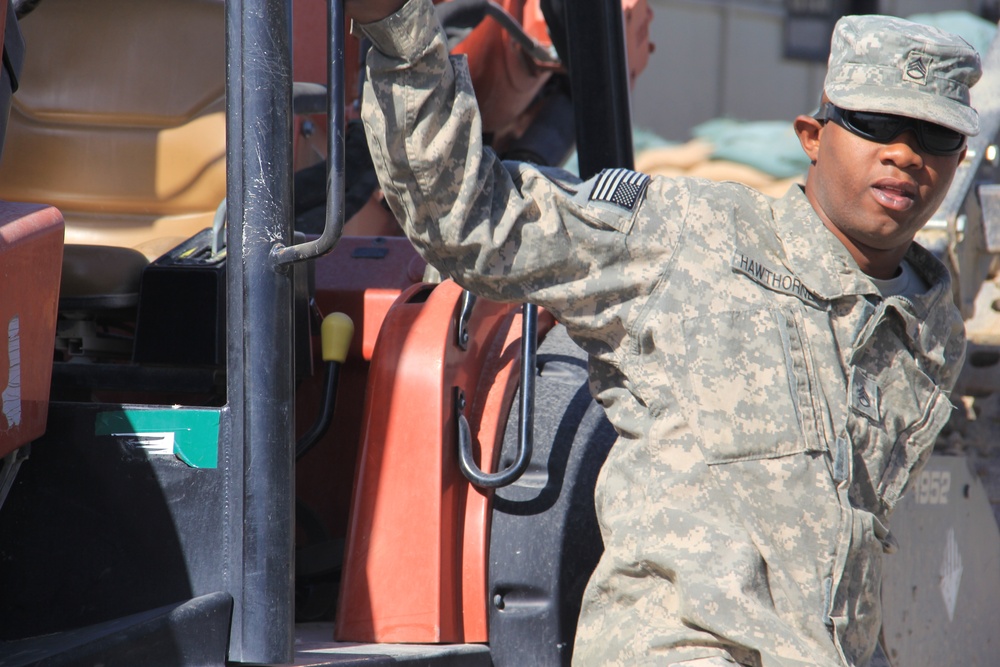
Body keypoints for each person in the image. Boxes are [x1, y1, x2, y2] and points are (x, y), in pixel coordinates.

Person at [344, 0, 980, 664]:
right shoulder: (684, 238)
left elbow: (853, 549)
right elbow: (471, 219)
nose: (905, 155)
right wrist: (400, 32)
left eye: (933, 137)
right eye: (876, 124)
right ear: (812, 136)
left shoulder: (930, 329)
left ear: (960, 157)